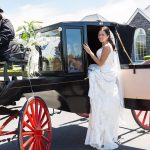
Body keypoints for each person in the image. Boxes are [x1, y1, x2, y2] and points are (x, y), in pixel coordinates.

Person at [83, 26, 124, 150]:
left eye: (102, 34)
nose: (100, 36)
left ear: (107, 36)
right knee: (101, 106)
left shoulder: (107, 47)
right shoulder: (104, 47)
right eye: (99, 35)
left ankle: (104, 136)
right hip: (104, 72)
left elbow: (101, 63)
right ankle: (99, 135)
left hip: (105, 75)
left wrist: (90, 52)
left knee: (102, 106)